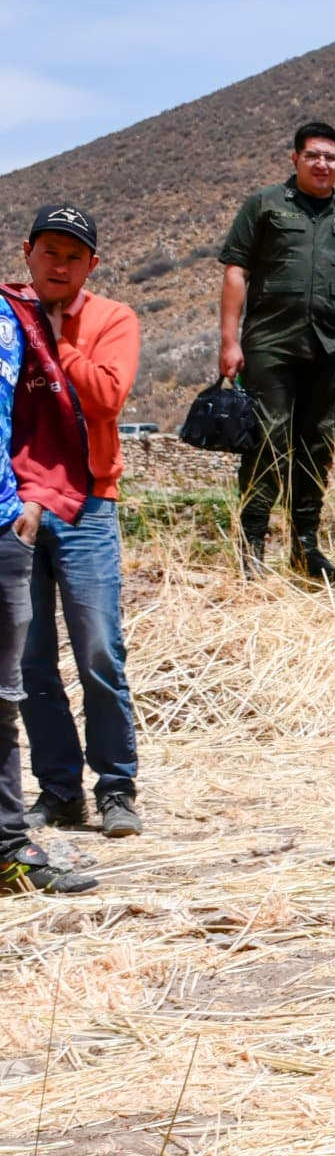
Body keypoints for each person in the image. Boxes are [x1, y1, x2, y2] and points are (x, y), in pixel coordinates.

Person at [8, 207, 142, 839]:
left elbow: (106, 398)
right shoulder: (7, 318)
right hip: (16, 508)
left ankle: (116, 786)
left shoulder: (112, 318)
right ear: (28, 252)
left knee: (98, 650)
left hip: (90, 501)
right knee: (30, 660)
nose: (59, 265)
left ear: (92, 264)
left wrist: (55, 340)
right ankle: (59, 790)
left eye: (74, 256)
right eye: (49, 252)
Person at [218, 120, 335, 584]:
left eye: (330, 157)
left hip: (332, 348)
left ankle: (306, 548)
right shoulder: (264, 206)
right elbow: (236, 271)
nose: (322, 164)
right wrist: (228, 341)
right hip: (271, 344)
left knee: (318, 444)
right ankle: (252, 548)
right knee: (267, 439)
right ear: (295, 159)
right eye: (313, 156)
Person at [0, 293, 99, 893]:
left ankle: (8, 851)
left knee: (1, 699)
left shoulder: (14, 319)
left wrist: (34, 497)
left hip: (4, 525)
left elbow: (42, 415)